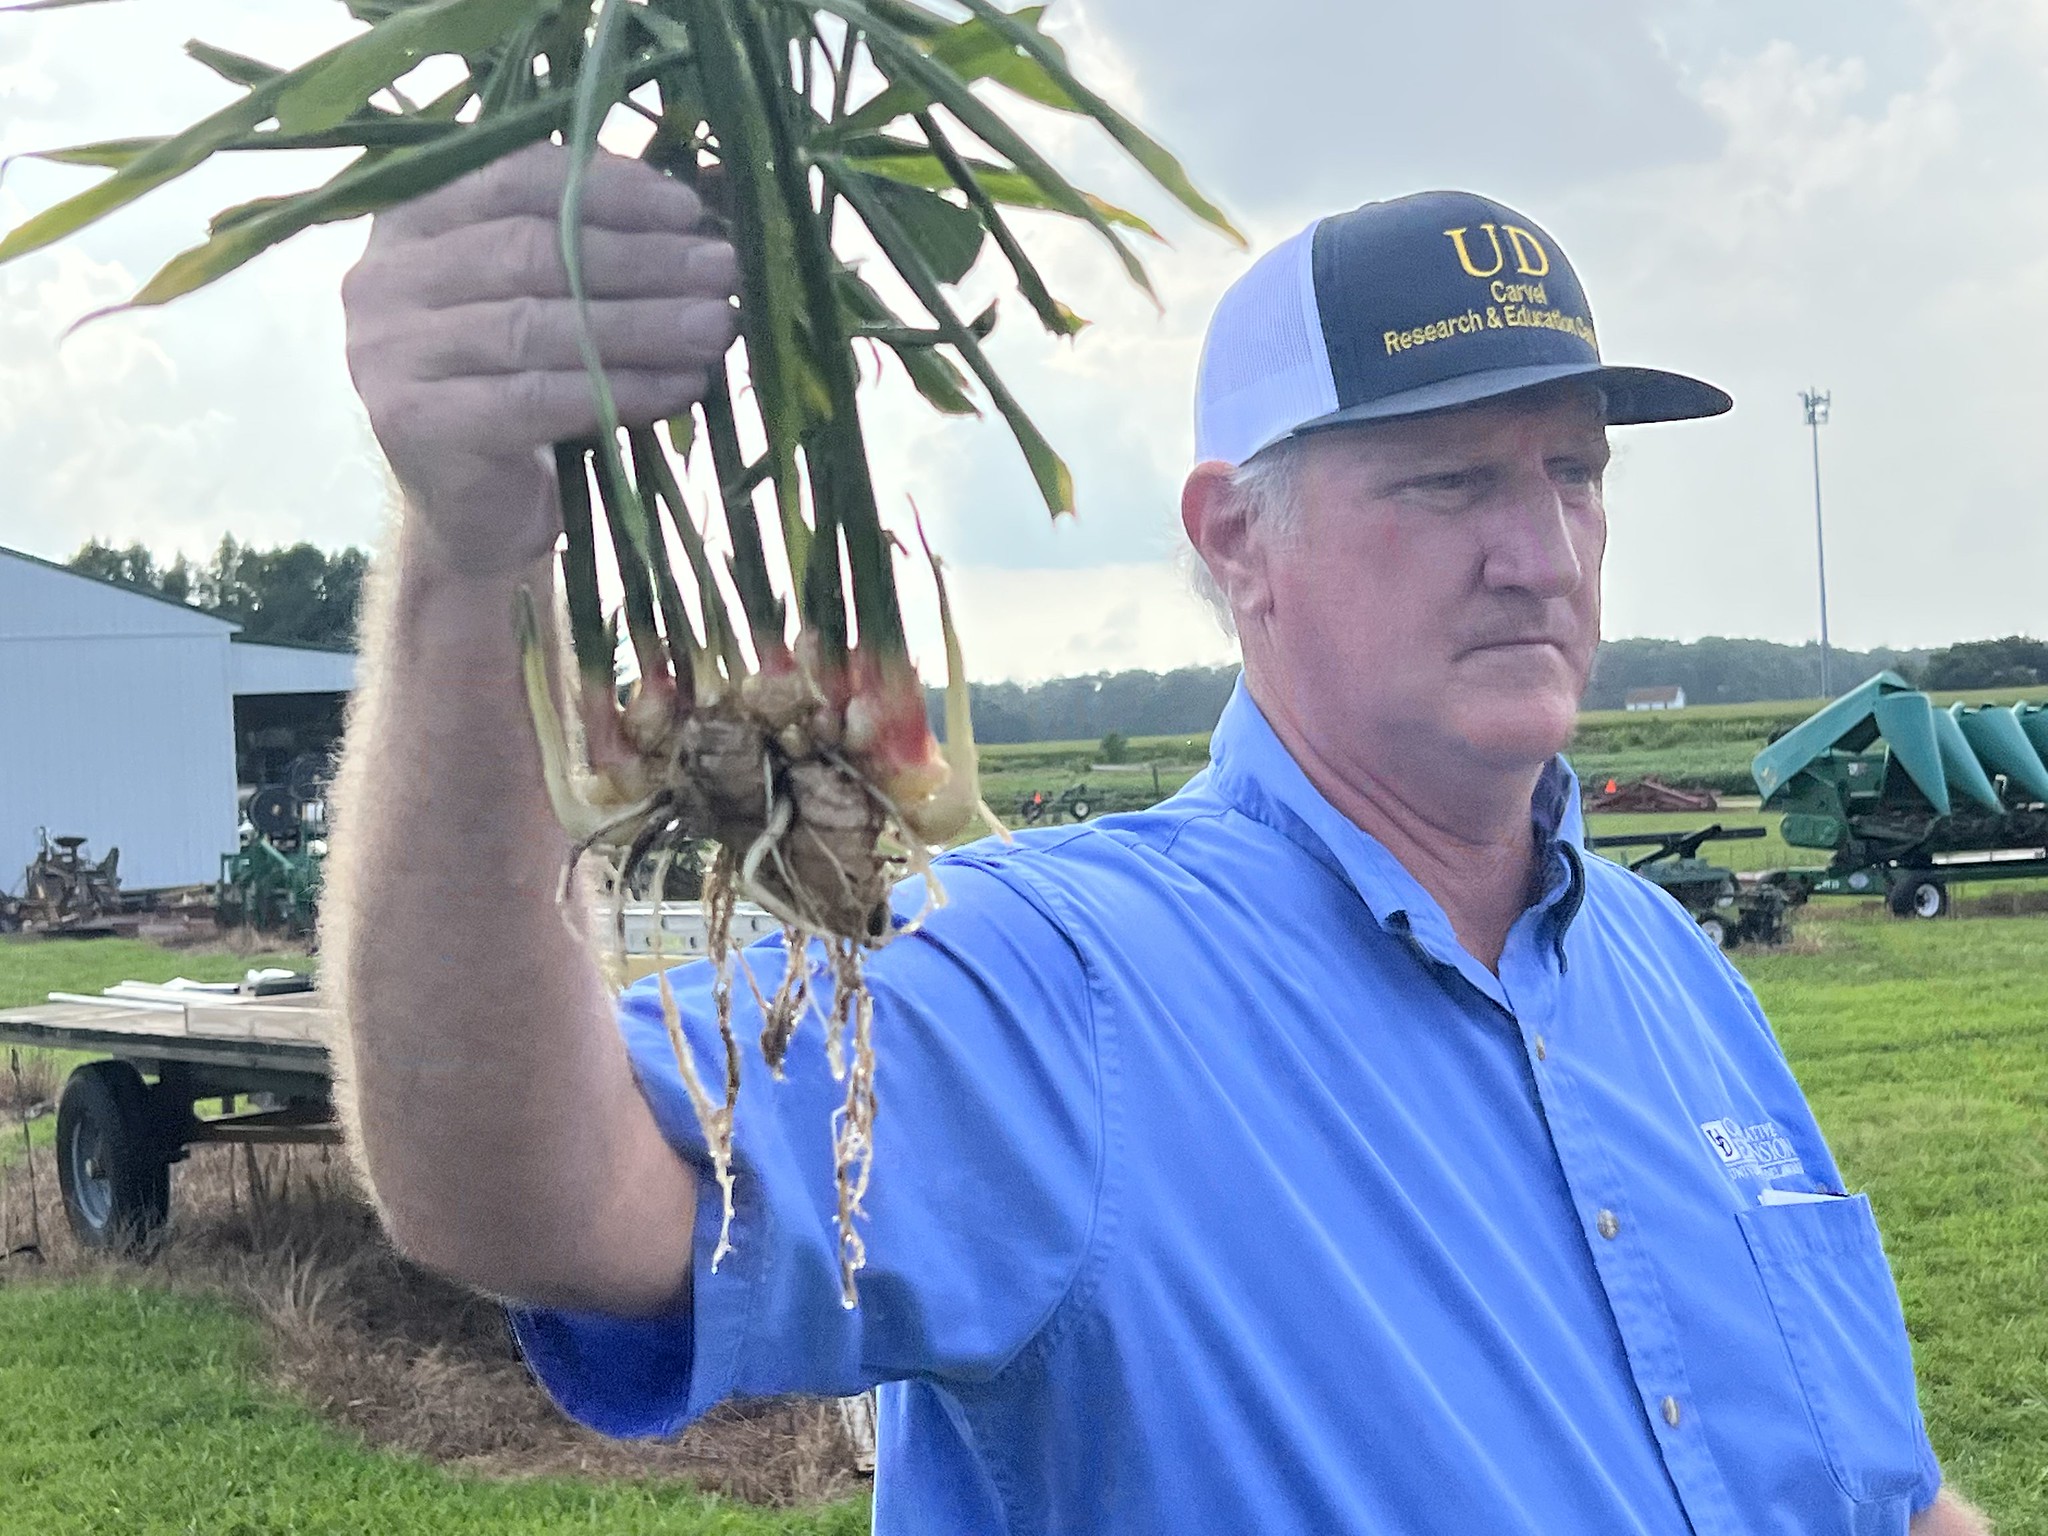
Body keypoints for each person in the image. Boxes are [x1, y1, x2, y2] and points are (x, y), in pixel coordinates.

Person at [328, 145, 1990, 1535]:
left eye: (1574, 472)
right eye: (1448, 483)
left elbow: (1885, 1493)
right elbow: (534, 1196)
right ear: (1234, 538)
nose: (1542, 552)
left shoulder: (1674, 978)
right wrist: (467, 559)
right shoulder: (1056, 986)